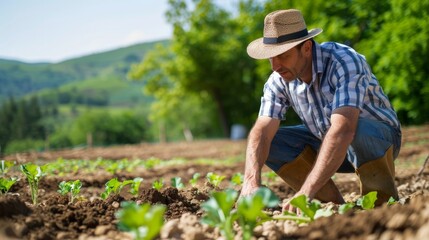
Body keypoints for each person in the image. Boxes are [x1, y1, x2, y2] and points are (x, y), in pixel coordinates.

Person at [240, 9, 402, 213]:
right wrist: (250, 181)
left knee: (356, 128)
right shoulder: (279, 79)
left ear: (306, 48)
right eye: (271, 58)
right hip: (327, 142)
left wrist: (306, 189)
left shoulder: (343, 61)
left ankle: (382, 207)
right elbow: (262, 130)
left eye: (283, 56)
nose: (275, 66)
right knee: (270, 139)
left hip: (378, 140)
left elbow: (344, 130)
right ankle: (328, 204)